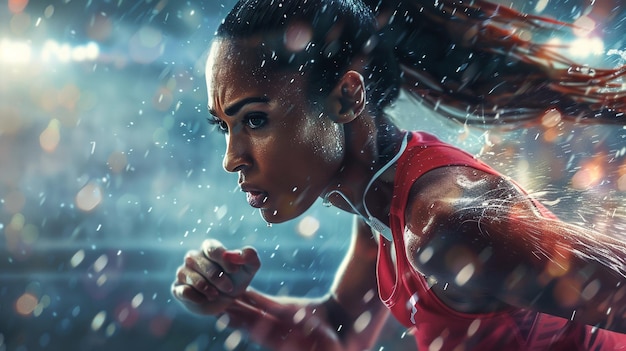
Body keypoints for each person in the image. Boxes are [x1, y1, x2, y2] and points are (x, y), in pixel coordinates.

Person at [172, 0, 626, 349]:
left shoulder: (443, 224)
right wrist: (231, 303)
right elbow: (338, 332)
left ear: (347, 98)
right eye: (225, 126)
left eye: (254, 119)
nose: (231, 158)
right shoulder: (381, 203)